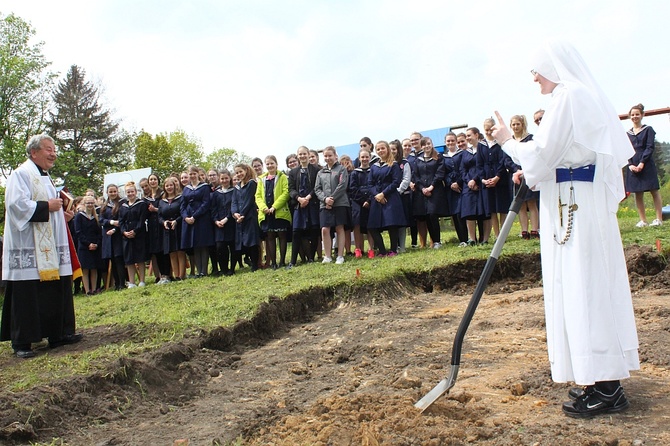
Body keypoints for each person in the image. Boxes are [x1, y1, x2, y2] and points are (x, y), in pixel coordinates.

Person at [492, 40, 639, 418]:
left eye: (536, 71)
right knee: (579, 286)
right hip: (571, 197)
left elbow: (542, 153)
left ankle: (607, 387)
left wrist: (509, 141)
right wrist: (535, 169)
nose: (535, 79)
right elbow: (553, 157)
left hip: (575, 201)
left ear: (552, 67)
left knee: (584, 286)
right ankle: (596, 377)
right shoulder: (573, 96)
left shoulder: (568, 95)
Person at [1, 134, 83, 358]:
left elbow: (51, 210)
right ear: (34, 152)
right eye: (48, 149)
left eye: (54, 149)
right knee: (27, 290)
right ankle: (22, 342)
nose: (53, 153)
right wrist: (48, 205)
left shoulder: (46, 178)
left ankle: (58, 334)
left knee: (54, 287)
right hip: (27, 243)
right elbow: (16, 205)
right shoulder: (21, 174)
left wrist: (62, 216)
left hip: (49, 246)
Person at [625, 103, 663, 227]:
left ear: (642, 115)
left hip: (646, 164)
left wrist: (642, 162)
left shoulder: (648, 130)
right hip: (633, 165)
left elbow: (649, 147)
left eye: (637, 114)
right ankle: (643, 220)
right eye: (632, 115)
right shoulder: (627, 134)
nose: (634, 116)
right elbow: (626, 149)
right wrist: (630, 164)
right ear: (629, 117)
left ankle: (659, 219)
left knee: (654, 191)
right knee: (638, 193)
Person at [366, 141, 405, 256]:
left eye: (382, 148)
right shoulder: (374, 167)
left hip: (390, 197)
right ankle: (382, 251)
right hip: (376, 198)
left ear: (387, 149)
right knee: (372, 226)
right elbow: (370, 184)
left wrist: (383, 194)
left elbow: (396, 182)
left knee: (392, 224)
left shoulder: (394, 165)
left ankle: (393, 250)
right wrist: (377, 195)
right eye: (378, 149)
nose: (380, 151)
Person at [314, 146, 350, 264]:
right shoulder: (320, 172)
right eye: (326, 156)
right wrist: (325, 200)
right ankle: (328, 256)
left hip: (340, 203)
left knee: (340, 228)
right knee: (325, 229)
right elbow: (317, 189)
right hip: (324, 205)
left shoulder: (342, 169)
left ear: (335, 156)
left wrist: (332, 199)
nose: (328, 158)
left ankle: (340, 255)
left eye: (330, 155)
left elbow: (342, 185)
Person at [256, 155, 292, 269]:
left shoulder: (283, 177)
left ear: (276, 164)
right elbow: (258, 196)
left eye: (272, 163)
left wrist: (274, 207)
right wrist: (263, 208)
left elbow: (286, 193)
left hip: (279, 212)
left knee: (282, 235)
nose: (270, 165)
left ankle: (282, 261)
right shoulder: (261, 179)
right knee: (270, 237)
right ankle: (274, 263)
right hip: (267, 213)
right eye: (268, 164)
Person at [287, 146, 321, 267]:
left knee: (314, 230)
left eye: (304, 154)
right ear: (298, 156)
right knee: (296, 232)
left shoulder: (316, 170)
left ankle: (311, 257)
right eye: (300, 154)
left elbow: (317, 186)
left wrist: (308, 197)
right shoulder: (293, 172)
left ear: (308, 154)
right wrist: (299, 198)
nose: (302, 156)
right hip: (299, 205)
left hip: (312, 204)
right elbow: (290, 189)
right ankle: (292, 261)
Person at [510, 115, 540, 239]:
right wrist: (516, 170)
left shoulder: (530, 138)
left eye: (518, 124)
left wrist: (524, 170)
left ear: (523, 124)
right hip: (515, 176)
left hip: (528, 173)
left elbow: (532, 155)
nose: (516, 127)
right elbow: (506, 159)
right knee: (520, 204)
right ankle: (524, 231)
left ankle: (534, 229)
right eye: (513, 125)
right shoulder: (510, 141)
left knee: (531, 203)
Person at [232, 163, 261, 272]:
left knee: (252, 241)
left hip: (249, 216)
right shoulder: (237, 187)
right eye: (237, 172)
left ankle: (255, 265)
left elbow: (249, 201)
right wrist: (235, 213)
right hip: (239, 218)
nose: (239, 174)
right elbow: (234, 201)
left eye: (240, 172)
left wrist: (242, 214)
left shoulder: (251, 183)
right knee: (241, 241)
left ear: (246, 170)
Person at [120, 181, 149, 288]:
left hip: (139, 234)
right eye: (128, 192)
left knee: (140, 258)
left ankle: (142, 280)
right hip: (126, 236)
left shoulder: (141, 204)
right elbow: (121, 221)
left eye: (132, 191)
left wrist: (135, 231)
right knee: (129, 260)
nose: (130, 194)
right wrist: (124, 232)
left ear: (136, 192)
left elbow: (142, 220)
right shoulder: (123, 206)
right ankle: (132, 282)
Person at [158, 176, 187, 280]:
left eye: (171, 185)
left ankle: (182, 275)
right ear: (164, 187)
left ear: (175, 186)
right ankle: (176, 275)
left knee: (180, 251)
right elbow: (159, 216)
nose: (169, 187)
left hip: (178, 227)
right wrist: (164, 222)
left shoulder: (180, 198)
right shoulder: (162, 201)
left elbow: (183, 212)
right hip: (168, 229)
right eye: (167, 185)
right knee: (172, 253)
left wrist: (176, 221)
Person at [74, 195, 103, 295]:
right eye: (88, 203)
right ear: (84, 204)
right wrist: (88, 244)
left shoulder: (96, 217)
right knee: (85, 269)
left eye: (91, 203)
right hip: (84, 246)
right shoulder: (79, 216)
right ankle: (87, 290)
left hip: (95, 246)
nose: (90, 205)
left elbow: (99, 233)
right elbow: (78, 232)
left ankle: (94, 289)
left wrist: (96, 244)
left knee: (94, 268)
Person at [100, 184, 127, 290]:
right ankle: (116, 284)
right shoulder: (104, 206)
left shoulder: (122, 203)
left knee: (119, 258)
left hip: (118, 235)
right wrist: (111, 222)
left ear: (117, 192)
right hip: (108, 236)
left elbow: (123, 219)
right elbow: (101, 220)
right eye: (110, 192)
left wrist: (116, 227)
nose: (112, 193)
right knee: (112, 259)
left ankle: (122, 283)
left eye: (114, 191)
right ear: (107, 193)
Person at [210, 170, 236, 275]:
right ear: (219, 180)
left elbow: (234, 206)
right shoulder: (216, 193)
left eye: (226, 178)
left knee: (233, 246)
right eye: (222, 178)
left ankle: (232, 269)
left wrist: (227, 218)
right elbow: (213, 209)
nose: (224, 180)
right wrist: (216, 220)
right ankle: (224, 269)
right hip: (219, 224)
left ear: (229, 178)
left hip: (231, 222)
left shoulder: (234, 191)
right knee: (220, 246)